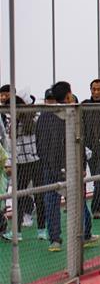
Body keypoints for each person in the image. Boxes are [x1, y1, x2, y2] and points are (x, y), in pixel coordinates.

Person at [38, 81, 99, 252]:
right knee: (78, 202)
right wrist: (81, 165)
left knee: (51, 203)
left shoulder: (44, 116)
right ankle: (84, 235)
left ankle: (55, 240)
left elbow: (40, 145)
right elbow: (79, 142)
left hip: (50, 167)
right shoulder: (72, 114)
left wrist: (48, 163)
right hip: (70, 166)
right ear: (68, 95)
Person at [2, 94, 43, 241]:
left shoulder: (33, 119)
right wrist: (10, 163)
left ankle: (42, 229)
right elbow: (11, 145)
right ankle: (17, 232)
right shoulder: (12, 123)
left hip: (36, 162)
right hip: (20, 164)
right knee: (17, 196)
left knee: (39, 195)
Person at [83, 79, 100, 218]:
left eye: (99, 89)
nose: (96, 92)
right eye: (93, 89)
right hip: (90, 149)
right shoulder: (84, 105)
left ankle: (95, 208)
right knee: (98, 178)